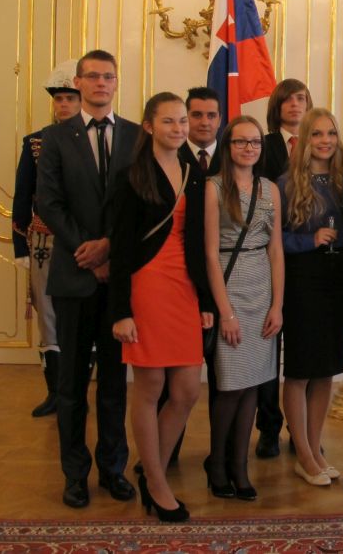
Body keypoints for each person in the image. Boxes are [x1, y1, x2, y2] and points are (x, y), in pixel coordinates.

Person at [35, 49, 139, 509]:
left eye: (108, 76)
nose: (101, 83)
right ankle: (75, 475)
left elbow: (140, 202)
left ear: (116, 83)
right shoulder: (55, 137)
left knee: (114, 384)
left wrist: (110, 247)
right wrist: (88, 251)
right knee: (72, 386)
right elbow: (48, 202)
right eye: (92, 76)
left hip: (118, 279)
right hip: (74, 277)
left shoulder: (136, 135)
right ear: (77, 82)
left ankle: (113, 469)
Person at [108, 92, 212, 522]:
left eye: (182, 121)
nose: (179, 128)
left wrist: (206, 299)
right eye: (169, 121)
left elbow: (200, 243)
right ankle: (156, 482)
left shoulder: (194, 172)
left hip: (184, 287)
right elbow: (120, 249)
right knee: (150, 388)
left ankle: (153, 468)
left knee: (186, 391)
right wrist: (121, 311)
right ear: (149, 126)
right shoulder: (131, 176)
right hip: (147, 286)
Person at [203, 115, 285, 501]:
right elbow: (209, 254)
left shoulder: (271, 189)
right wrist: (226, 313)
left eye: (255, 142)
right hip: (230, 285)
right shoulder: (214, 188)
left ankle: (240, 465)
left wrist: (277, 305)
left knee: (254, 383)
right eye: (240, 141)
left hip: (262, 287)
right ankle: (217, 464)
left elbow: (276, 249)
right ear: (228, 146)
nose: (249, 148)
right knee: (230, 385)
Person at [277, 107, 343, 487]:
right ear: (305, 140)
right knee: (300, 370)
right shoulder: (285, 184)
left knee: (326, 369)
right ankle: (303, 453)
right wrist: (310, 240)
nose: (325, 141)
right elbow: (271, 240)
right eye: (318, 134)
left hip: (337, 281)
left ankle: (316, 447)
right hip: (301, 282)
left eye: (331, 133)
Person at [12, 60, 81, 418]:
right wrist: (20, 246)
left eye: (70, 98)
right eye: (59, 99)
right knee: (49, 315)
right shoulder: (35, 143)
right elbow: (23, 194)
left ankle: (80, 390)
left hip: (83, 242)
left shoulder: (95, 140)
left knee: (83, 313)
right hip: (44, 240)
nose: (63, 104)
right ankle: (56, 392)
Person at [253, 78, 312, 457]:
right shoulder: (264, 145)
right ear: (277, 106)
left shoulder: (319, 142)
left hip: (310, 262)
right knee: (268, 350)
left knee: (304, 353)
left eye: (301, 99)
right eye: (287, 100)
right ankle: (269, 427)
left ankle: (301, 429)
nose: (294, 105)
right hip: (269, 258)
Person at [181, 87, 223, 175]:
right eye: (197, 115)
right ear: (185, 118)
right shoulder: (171, 156)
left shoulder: (232, 157)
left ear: (219, 121)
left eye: (211, 116)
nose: (205, 123)